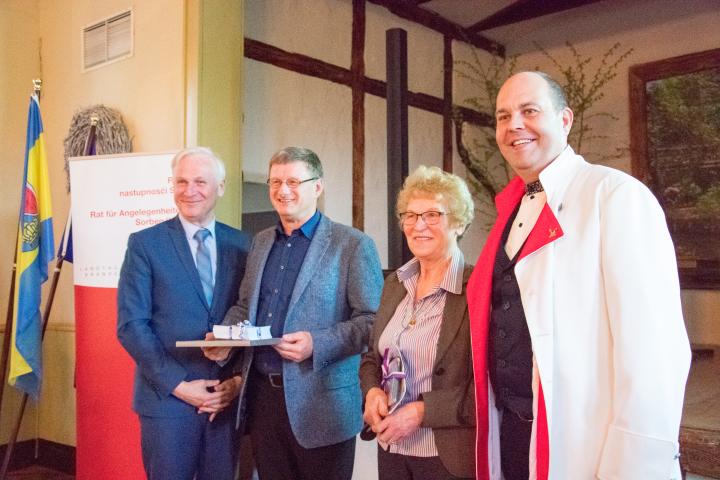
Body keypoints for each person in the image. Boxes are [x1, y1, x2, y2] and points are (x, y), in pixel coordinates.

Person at [467, 70, 691, 480]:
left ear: (565, 120)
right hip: (512, 432)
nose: (513, 124)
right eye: (503, 116)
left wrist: (635, 460)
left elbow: (655, 346)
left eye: (529, 110)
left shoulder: (615, 196)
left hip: (585, 444)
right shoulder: (511, 211)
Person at [204, 147, 383, 480]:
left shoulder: (352, 245)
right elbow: (246, 306)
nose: (283, 191)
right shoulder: (259, 242)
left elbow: (372, 322)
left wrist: (317, 343)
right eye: (275, 182)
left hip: (323, 405)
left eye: (293, 181)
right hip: (262, 400)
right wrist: (226, 335)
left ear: (317, 187)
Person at [117, 147, 251, 480]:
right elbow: (131, 325)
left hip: (223, 402)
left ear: (220, 187)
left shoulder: (244, 245)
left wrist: (236, 383)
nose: (190, 191)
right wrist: (178, 385)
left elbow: (252, 316)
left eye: (200, 182)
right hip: (166, 403)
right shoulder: (145, 244)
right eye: (182, 181)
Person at [360, 166, 476, 480]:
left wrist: (423, 411)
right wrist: (371, 393)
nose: (418, 225)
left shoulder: (478, 289)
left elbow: (489, 387)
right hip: (393, 453)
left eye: (432, 215)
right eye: (410, 215)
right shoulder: (395, 284)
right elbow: (373, 357)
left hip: (447, 459)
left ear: (458, 222)